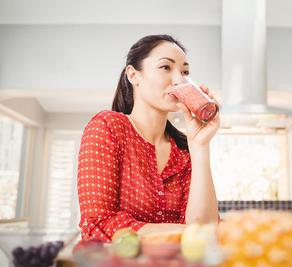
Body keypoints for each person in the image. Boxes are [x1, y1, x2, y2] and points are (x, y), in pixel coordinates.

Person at [77, 34, 220, 242]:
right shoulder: (108, 127)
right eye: (166, 67)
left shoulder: (184, 150)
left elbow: (205, 229)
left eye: (185, 72)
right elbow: (97, 224)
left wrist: (200, 146)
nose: (180, 79)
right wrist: (188, 233)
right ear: (133, 75)